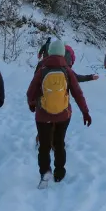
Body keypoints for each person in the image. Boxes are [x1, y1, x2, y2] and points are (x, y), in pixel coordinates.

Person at [27, 40, 91, 187]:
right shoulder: (67, 70)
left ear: (49, 52)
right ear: (63, 53)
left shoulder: (42, 69)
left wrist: (32, 104)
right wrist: (85, 112)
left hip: (43, 115)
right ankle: (59, 173)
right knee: (59, 143)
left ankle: (45, 173)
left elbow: (30, 92)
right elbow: (77, 93)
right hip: (63, 115)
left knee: (44, 146)